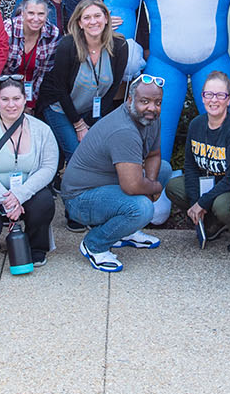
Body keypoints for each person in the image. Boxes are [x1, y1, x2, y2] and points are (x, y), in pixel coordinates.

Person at [62, 76, 170, 272]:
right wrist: (155, 188)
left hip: (108, 185)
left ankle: (126, 231)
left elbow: (154, 154)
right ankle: (94, 245)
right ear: (130, 100)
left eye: (157, 102)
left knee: (163, 169)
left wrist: (152, 182)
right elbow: (132, 186)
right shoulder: (123, 130)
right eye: (144, 101)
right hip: (80, 198)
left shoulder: (151, 118)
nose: (152, 108)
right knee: (142, 208)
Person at [0, 77, 60, 261]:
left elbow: (48, 167)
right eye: (5, 99)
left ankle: (36, 248)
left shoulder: (42, 130)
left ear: (25, 99)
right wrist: (8, 201)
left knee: (44, 201)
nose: (11, 105)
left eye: (16, 99)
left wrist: (20, 195)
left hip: (27, 191)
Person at [36, 0, 130, 162]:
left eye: (97, 16)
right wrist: (79, 125)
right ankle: (69, 186)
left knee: (98, 151)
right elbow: (60, 89)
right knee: (77, 153)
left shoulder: (120, 46)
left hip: (90, 109)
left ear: (106, 18)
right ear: (79, 23)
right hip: (59, 106)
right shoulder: (68, 45)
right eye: (87, 17)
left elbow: (113, 88)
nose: (93, 22)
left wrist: (92, 120)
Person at [167, 71, 230, 251]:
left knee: (221, 205)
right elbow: (190, 166)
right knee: (174, 186)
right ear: (202, 97)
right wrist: (196, 201)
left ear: (228, 99)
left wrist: (202, 203)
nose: (214, 100)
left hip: (229, 189)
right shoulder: (196, 124)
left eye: (220, 95)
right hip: (206, 185)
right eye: (209, 94)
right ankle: (211, 223)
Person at [1, 0, 60, 111]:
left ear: (47, 14)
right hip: (5, 93)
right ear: (22, 13)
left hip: (32, 94)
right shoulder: (7, 29)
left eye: (41, 14)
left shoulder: (52, 34)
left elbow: (43, 74)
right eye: (31, 13)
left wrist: (30, 104)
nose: (36, 19)